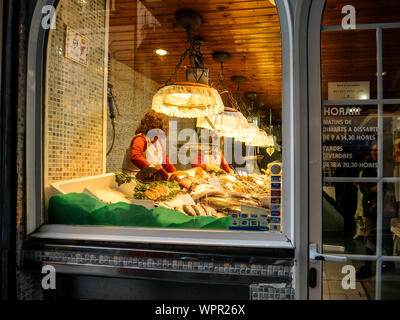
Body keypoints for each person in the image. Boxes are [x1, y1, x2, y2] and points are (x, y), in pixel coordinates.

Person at [121, 110, 176, 179]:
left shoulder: (157, 141)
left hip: (148, 178)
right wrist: (154, 169)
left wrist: (175, 173)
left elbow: (165, 160)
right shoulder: (140, 139)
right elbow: (136, 157)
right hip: (132, 177)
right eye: (162, 128)